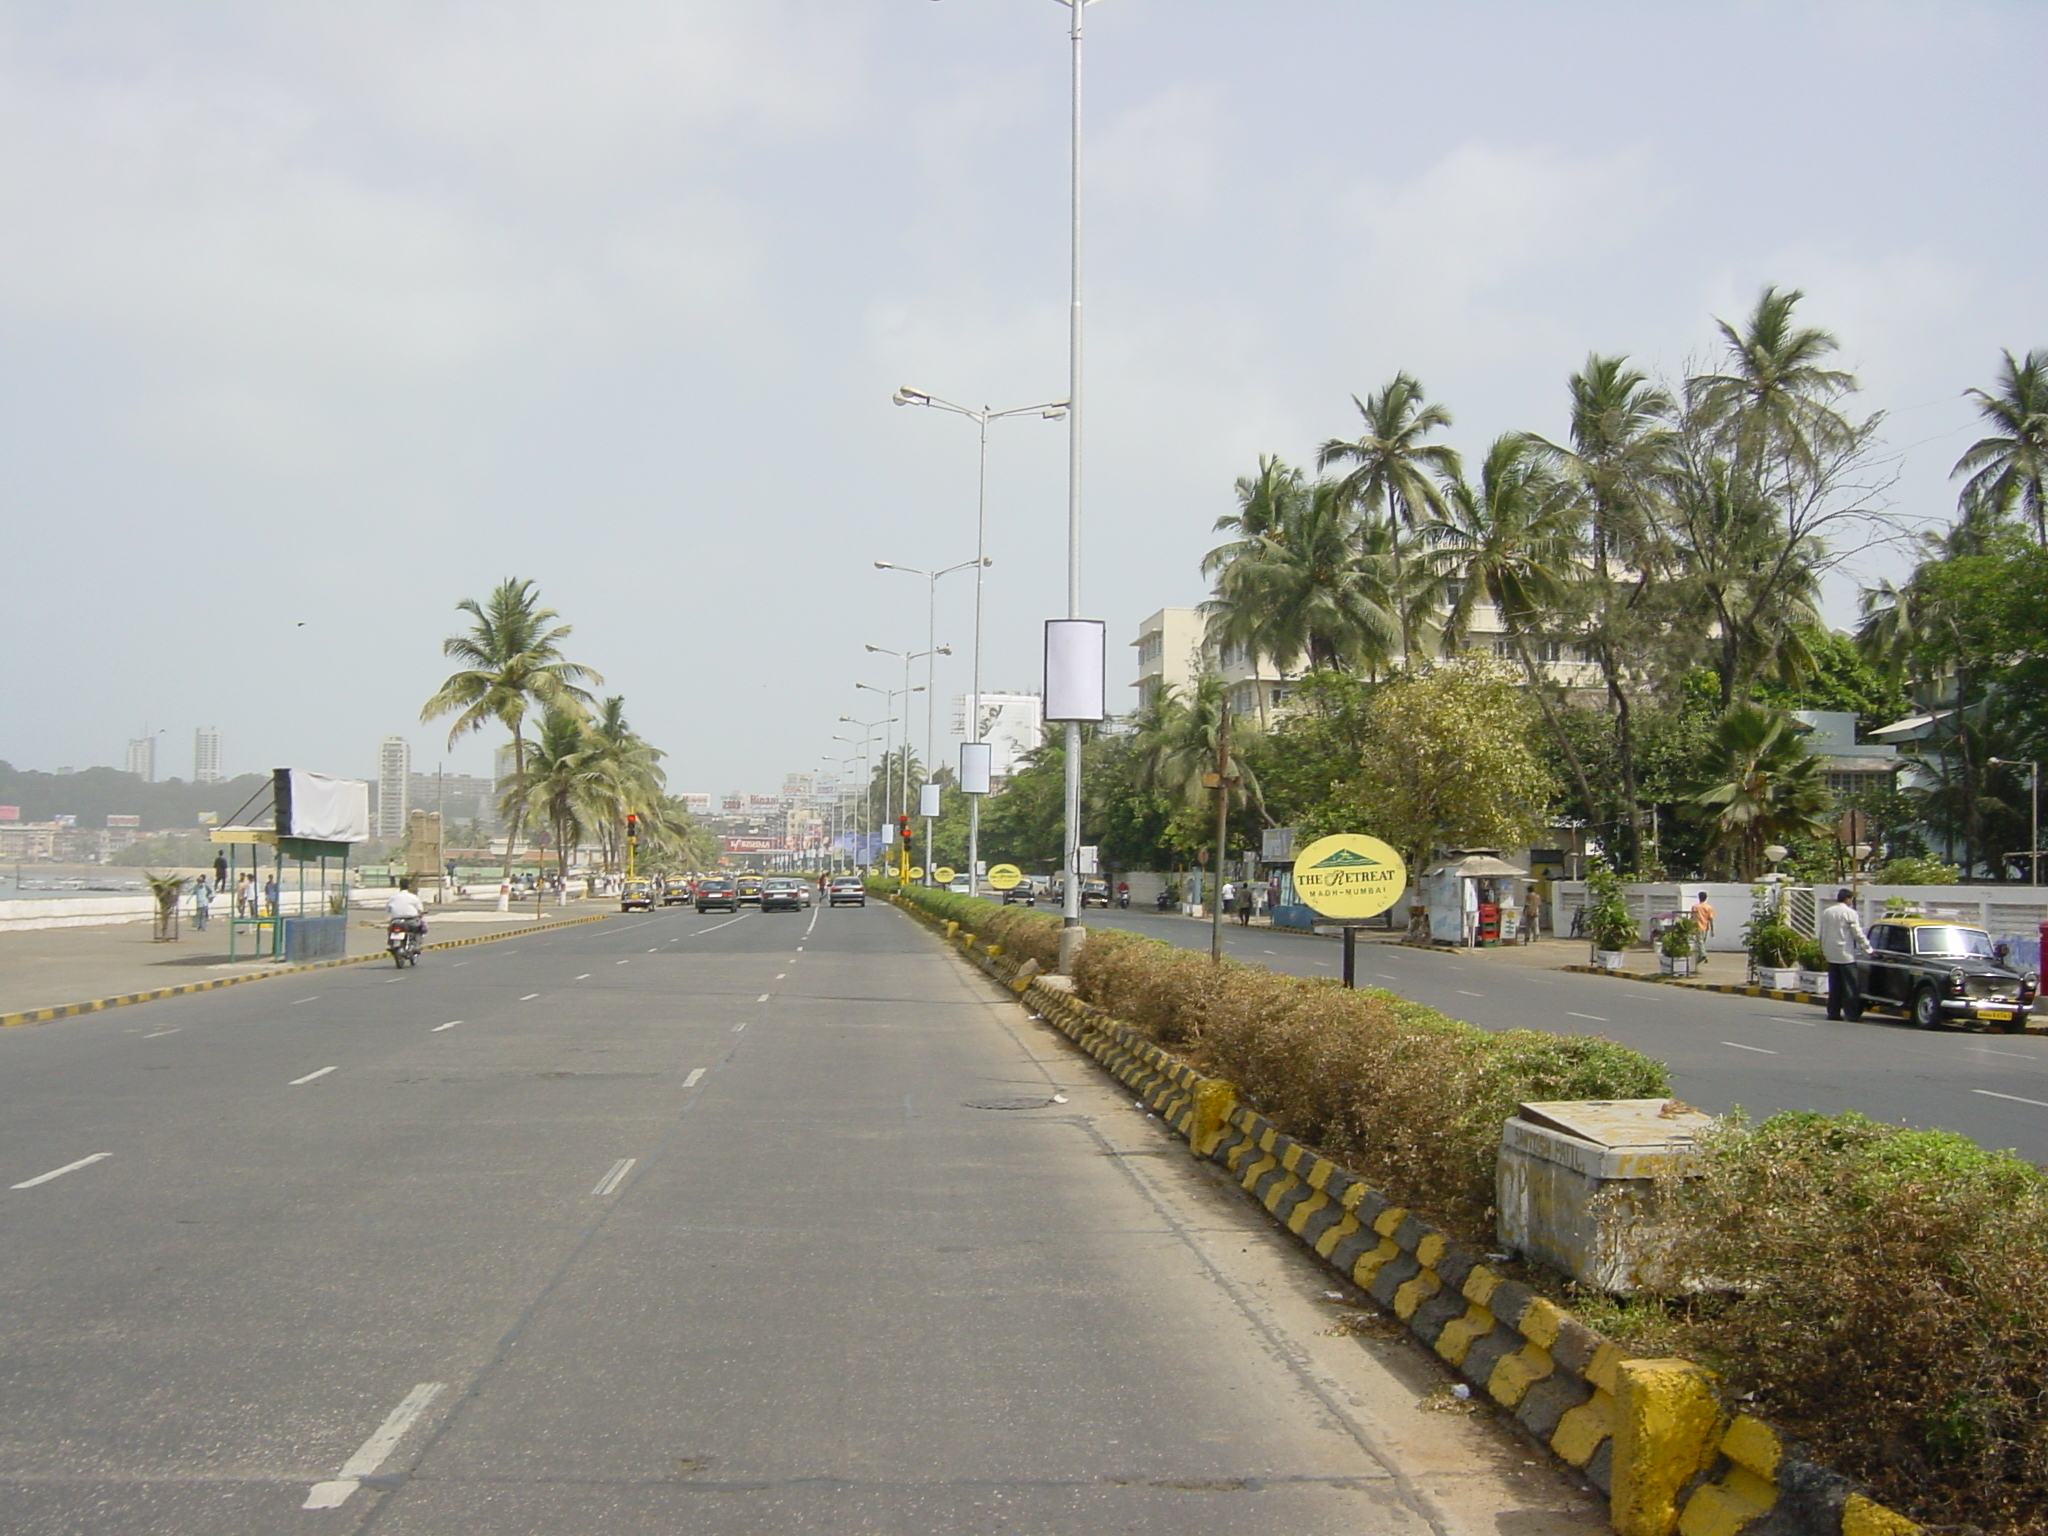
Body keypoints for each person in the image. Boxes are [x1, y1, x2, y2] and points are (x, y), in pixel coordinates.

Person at [1819, 888, 1870, 1021]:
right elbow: (1857, 934)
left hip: (1831, 953)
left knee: (1835, 986)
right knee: (1850, 986)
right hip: (1846, 955)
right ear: (1848, 899)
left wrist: (1824, 950)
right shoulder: (1850, 913)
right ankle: (1852, 1015)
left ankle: (1833, 1013)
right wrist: (1868, 949)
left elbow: (1822, 933)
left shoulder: (1827, 912)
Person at [1689, 890, 1716, 966]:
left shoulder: (1695, 907)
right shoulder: (1709, 907)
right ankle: (1700, 956)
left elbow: (1692, 917)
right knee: (1701, 942)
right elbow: (1711, 919)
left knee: (1700, 942)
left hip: (1697, 926)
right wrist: (1712, 930)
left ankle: (1702, 955)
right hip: (1705, 927)